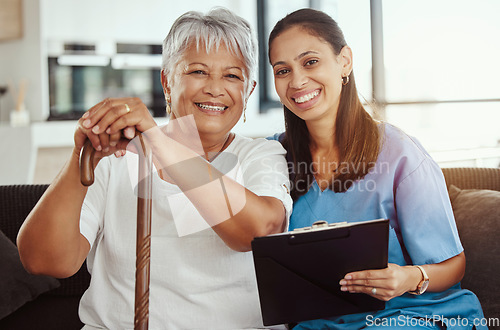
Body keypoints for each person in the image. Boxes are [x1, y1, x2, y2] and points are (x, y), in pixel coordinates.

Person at [18, 8, 292, 329]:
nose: (215, 88)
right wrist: (82, 157)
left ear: (249, 90)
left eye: (232, 75)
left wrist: (157, 142)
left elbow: (257, 232)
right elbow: (45, 261)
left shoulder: (260, 154)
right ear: (167, 80)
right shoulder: (117, 159)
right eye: (198, 71)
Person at [268, 8, 485, 329]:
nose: (297, 80)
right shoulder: (273, 155)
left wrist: (409, 277)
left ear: (345, 62)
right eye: (282, 70)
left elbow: (454, 265)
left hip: (411, 315)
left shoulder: (398, 151)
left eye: (310, 61)